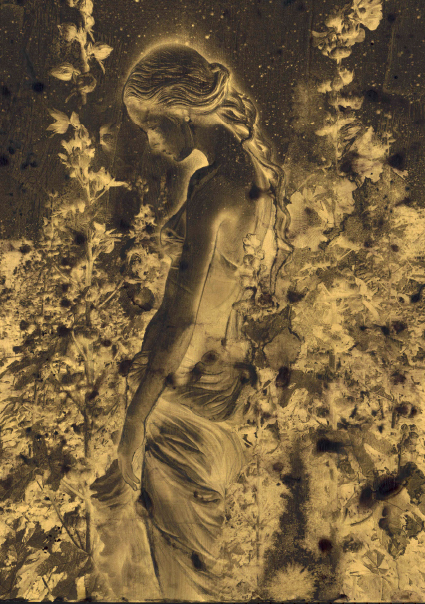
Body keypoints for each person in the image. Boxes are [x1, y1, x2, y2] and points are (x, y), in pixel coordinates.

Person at [92, 43, 291, 601]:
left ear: (182, 110)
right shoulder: (239, 182)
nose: (149, 142)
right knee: (190, 562)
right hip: (215, 390)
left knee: (179, 570)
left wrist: (132, 429)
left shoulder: (216, 194)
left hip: (180, 399)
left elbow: (182, 321)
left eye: (151, 126)